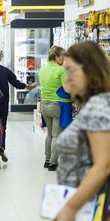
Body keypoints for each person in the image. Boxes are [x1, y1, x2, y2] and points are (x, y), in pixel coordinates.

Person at [55, 41, 110, 221]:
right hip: (87, 203)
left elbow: (103, 165)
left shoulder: (98, 105)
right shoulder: (98, 102)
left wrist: (70, 208)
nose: (67, 77)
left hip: (92, 205)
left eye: (71, 70)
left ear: (89, 69)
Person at [0, 48, 36, 162]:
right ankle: (1, 148)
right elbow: (16, 83)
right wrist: (28, 86)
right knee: (2, 127)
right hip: (3, 103)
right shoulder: (5, 70)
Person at [38, 46, 69, 171]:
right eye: (63, 56)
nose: (64, 59)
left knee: (49, 134)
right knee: (57, 135)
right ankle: (53, 163)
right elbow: (67, 89)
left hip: (44, 105)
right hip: (58, 105)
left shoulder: (42, 69)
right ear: (56, 57)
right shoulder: (61, 70)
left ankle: (47, 159)